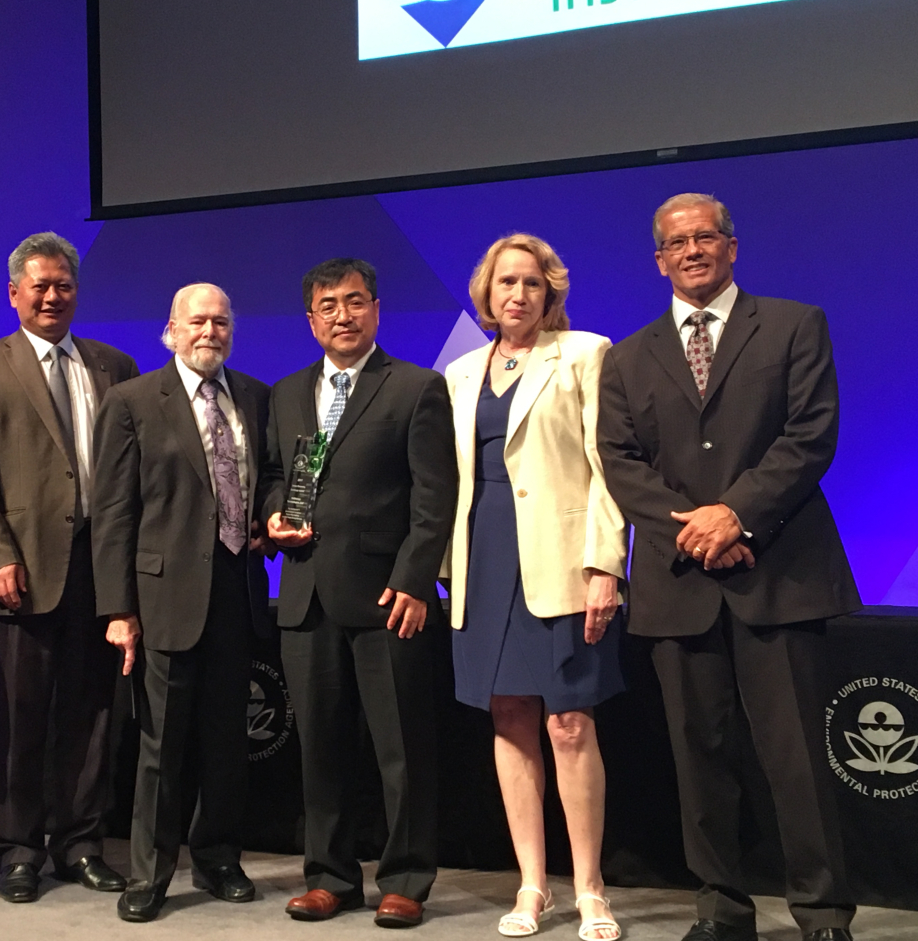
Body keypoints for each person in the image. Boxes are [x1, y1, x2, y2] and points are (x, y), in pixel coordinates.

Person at [598, 194, 860, 941]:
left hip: (779, 575)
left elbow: (811, 435)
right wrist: (697, 532)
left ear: (732, 246)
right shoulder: (628, 355)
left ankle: (821, 912)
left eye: (705, 235)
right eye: (676, 242)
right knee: (699, 759)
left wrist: (735, 514)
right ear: (659, 260)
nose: (692, 249)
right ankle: (720, 907)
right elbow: (621, 462)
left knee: (798, 758)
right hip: (680, 586)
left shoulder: (793, 324)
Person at [261, 258, 456, 929]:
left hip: (386, 598)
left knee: (400, 747)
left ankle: (405, 877)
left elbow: (436, 496)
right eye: (327, 305)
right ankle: (329, 874)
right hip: (306, 593)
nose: (342, 316)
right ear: (310, 318)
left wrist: (412, 579)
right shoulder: (286, 392)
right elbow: (276, 475)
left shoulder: (415, 387)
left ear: (376, 308)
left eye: (353, 302)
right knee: (319, 747)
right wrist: (271, 516)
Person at [443, 235, 626, 941]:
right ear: (485, 293)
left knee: (569, 723)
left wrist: (606, 562)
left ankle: (590, 889)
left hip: (561, 562)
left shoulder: (584, 352)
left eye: (530, 283)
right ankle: (531, 884)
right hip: (482, 563)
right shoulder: (459, 370)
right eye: (504, 282)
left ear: (551, 292)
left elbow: (607, 466)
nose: (516, 294)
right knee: (510, 719)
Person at [0, 232, 138, 902]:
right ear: (14, 293)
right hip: (22, 571)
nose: (52, 295)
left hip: (101, 567)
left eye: (63, 284)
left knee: (92, 715)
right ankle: (17, 848)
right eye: (40, 285)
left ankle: (80, 841)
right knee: (22, 715)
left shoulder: (114, 364)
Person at [92, 283, 270, 923]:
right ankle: (150, 874)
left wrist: (273, 516)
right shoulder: (132, 401)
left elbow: (268, 482)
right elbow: (112, 513)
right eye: (198, 321)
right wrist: (117, 608)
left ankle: (219, 857)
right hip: (162, 596)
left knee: (227, 740)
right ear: (171, 329)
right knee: (161, 746)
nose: (210, 332)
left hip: (237, 592)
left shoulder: (255, 395)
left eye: (221, 322)